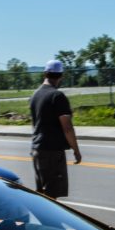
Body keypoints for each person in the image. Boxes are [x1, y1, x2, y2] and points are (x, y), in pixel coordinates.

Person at [28, 59, 82, 199]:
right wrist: (76, 150)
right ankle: (49, 221)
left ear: (45, 73)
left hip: (37, 149)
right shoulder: (57, 96)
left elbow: (36, 124)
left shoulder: (34, 95)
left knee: (42, 193)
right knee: (51, 196)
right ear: (61, 76)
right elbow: (67, 128)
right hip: (52, 151)